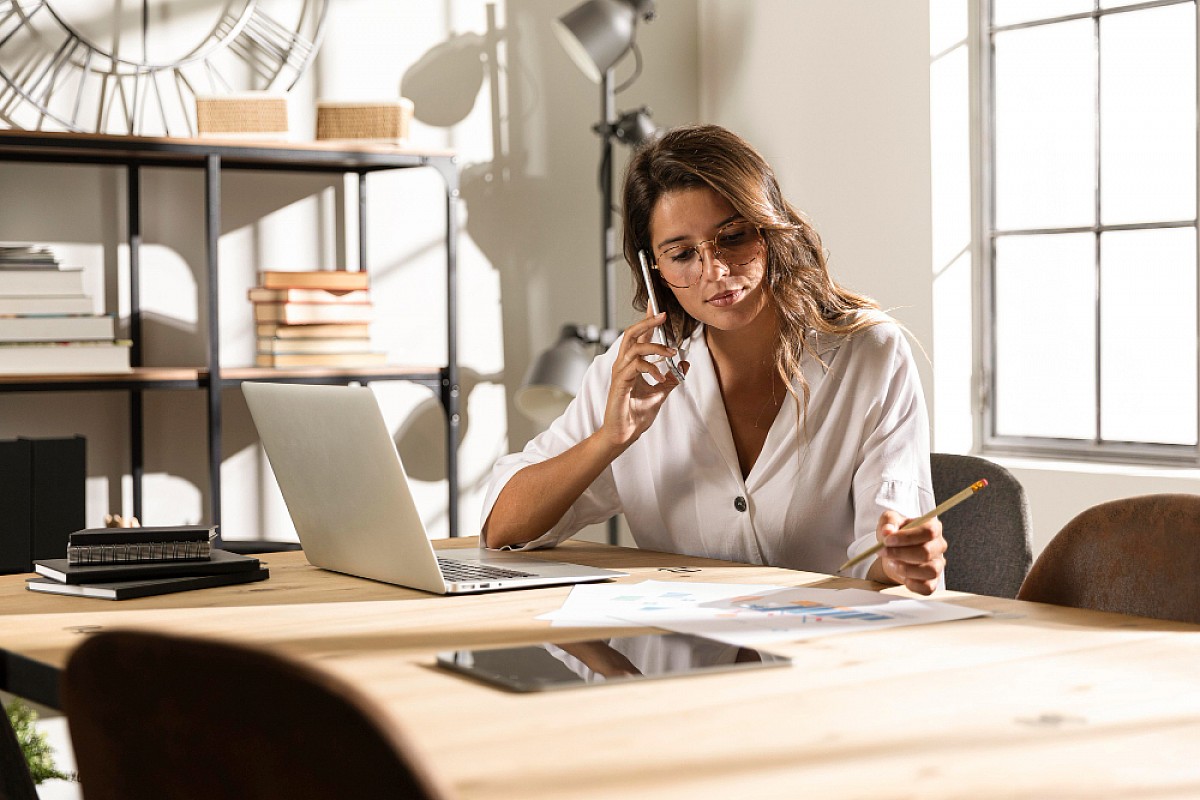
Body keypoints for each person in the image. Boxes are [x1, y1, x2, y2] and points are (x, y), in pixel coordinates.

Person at [481, 124, 945, 595]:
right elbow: (502, 530)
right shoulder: (635, 374)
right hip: (679, 657)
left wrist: (902, 559)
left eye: (734, 236)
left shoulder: (868, 354)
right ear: (654, 269)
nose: (715, 271)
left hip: (823, 651)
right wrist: (610, 439)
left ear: (770, 229)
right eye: (682, 254)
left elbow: (886, 548)